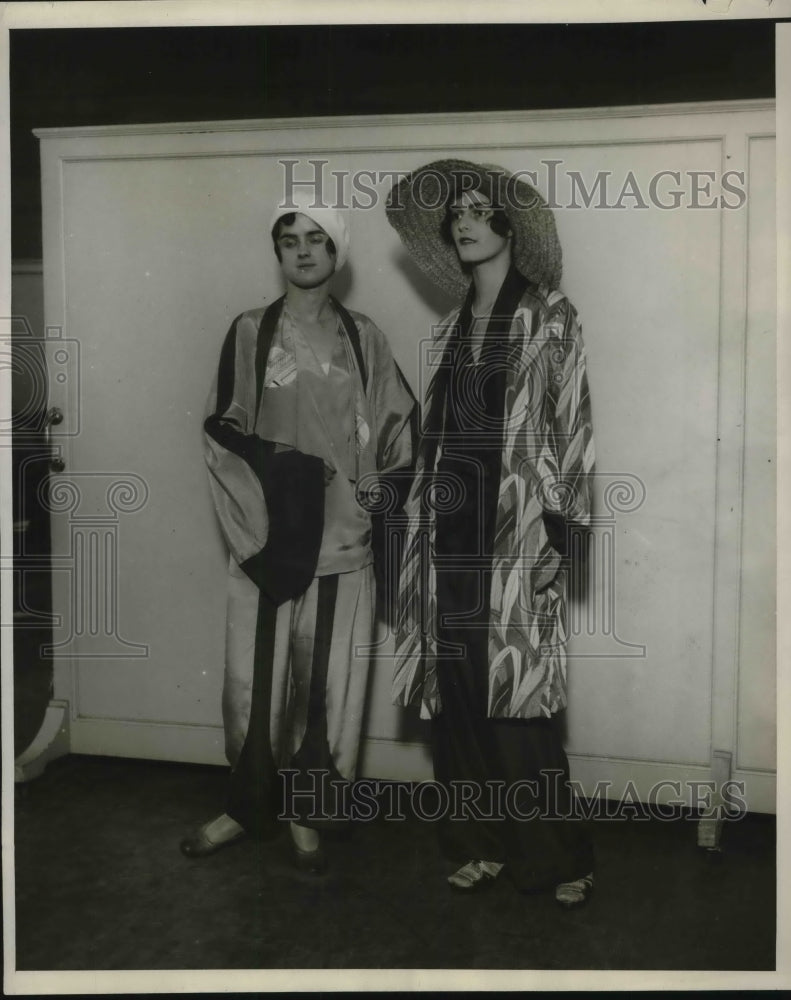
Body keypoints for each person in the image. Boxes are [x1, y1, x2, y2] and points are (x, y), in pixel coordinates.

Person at [180, 195, 415, 872]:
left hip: (343, 541)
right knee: (252, 684)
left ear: (337, 254)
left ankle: (308, 809)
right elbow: (221, 427)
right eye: (290, 240)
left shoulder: (364, 336)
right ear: (278, 253)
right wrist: (285, 474)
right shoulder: (251, 331)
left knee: (327, 690)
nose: (304, 250)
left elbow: (398, 424)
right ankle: (246, 806)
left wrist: (385, 483)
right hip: (270, 537)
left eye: (317, 239)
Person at [386, 160, 595, 907]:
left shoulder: (551, 317)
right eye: (456, 216)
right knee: (458, 697)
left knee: (519, 705)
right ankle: (481, 844)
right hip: (443, 536)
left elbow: (572, 429)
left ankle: (559, 857)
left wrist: (560, 536)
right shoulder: (444, 329)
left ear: (508, 227)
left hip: (516, 536)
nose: (465, 222)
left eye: (479, 211)